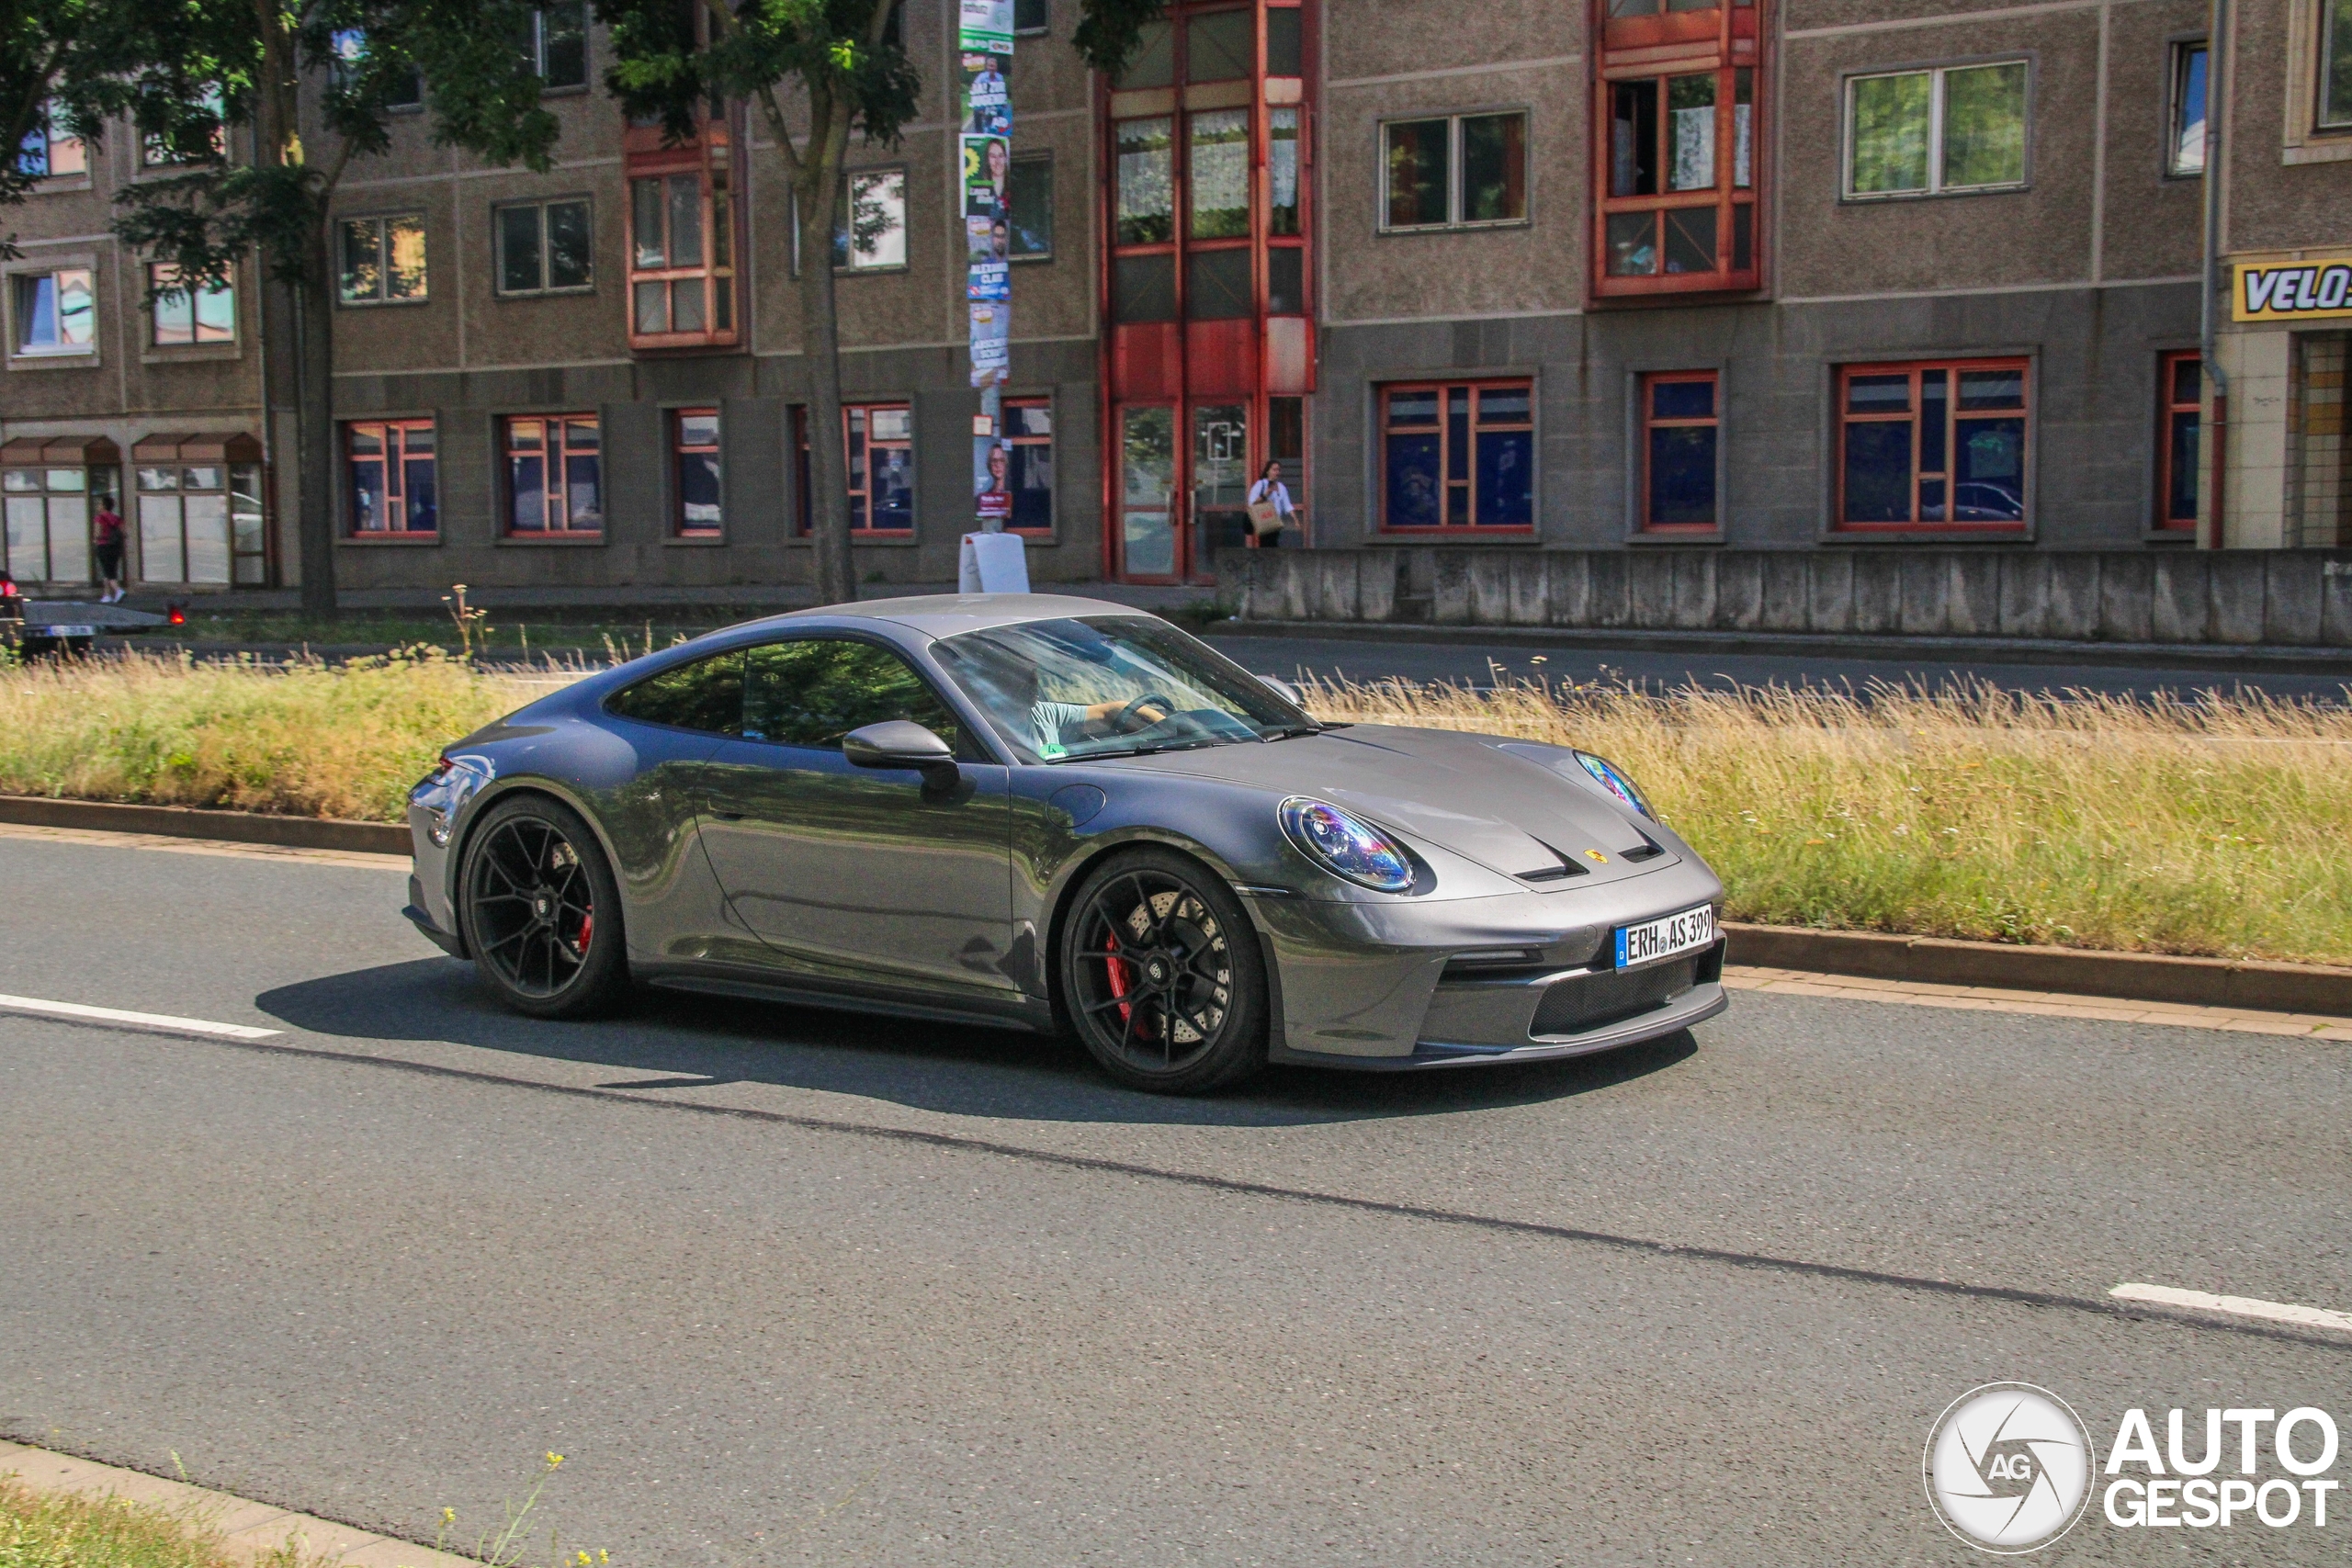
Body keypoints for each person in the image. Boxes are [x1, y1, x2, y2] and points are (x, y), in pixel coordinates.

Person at [1245, 460, 1295, 548]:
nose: (1277, 472)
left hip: (1275, 521)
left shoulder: (1281, 487)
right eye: (1274, 470)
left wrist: (1295, 519)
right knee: (1268, 543)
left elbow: (1287, 505)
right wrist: (1265, 495)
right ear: (1268, 471)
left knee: (1272, 542)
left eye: (1278, 470)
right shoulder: (1260, 484)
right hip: (1264, 519)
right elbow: (1252, 503)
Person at [91, 494, 126, 603]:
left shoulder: (99, 518)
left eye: (99, 504)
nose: (98, 505)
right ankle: (107, 595)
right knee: (110, 570)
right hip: (116, 547)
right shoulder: (117, 518)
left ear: (104, 506)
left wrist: (95, 539)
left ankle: (118, 590)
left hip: (103, 546)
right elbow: (124, 533)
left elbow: (98, 533)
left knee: (107, 571)